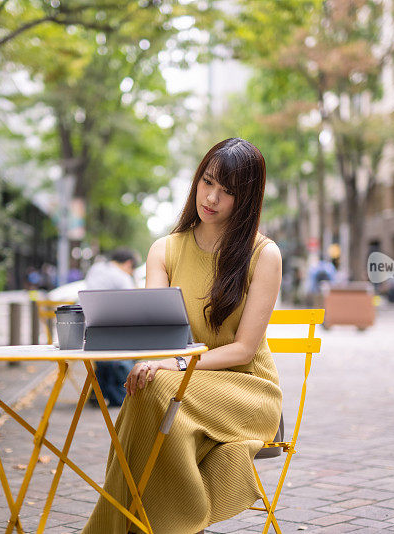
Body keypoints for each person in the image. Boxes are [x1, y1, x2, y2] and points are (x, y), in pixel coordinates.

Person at [82, 138, 282, 534]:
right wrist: (156, 362)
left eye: (228, 192)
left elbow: (243, 349)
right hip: (182, 385)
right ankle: (156, 526)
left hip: (247, 391)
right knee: (149, 389)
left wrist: (171, 364)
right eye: (207, 182)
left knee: (156, 389)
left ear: (246, 200)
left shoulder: (263, 254)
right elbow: (156, 334)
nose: (211, 197)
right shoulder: (165, 249)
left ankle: (115, 527)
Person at [83, 248, 139, 407]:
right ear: (128, 264)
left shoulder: (96, 268)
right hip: (108, 332)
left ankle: (99, 389)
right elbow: (132, 305)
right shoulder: (122, 277)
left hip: (87, 330)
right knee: (136, 343)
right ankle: (119, 392)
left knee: (107, 356)